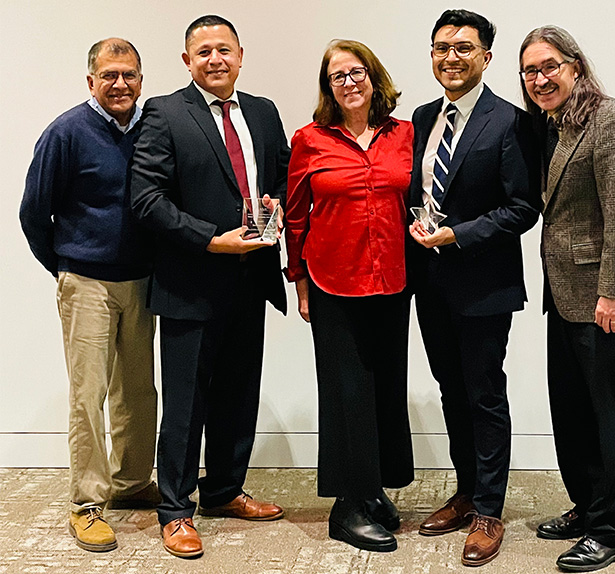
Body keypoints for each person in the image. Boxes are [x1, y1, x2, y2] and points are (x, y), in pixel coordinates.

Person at [130, 15, 290, 558]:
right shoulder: (164, 112)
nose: (215, 59)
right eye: (203, 52)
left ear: (241, 55)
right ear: (187, 61)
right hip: (191, 283)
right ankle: (176, 510)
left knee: (239, 394)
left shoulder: (264, 113)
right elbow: (147, 200)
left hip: (252, 278)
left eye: (224, 49)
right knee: (186, 403)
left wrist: (277, 205)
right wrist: (210, 240)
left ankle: (224, 490)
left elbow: (284, 178)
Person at [519, 26, 615, 572]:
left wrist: (613, 293)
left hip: (607, 301)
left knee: (613, 416)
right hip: (565, 297)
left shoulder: (611, 118)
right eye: (530, 70)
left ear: (575, 65)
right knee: (572, 412)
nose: (539, 78)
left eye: (549, 65)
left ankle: (611, 527)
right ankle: (587, 506)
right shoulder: (552, 126)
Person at [408, 9, 540, 567]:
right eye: (441, 47)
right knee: (450, 389)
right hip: (429, 284)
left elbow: (522, 207)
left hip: (483, 283)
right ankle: (465, 492)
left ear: (486, 56)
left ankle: (489, 509)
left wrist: (456, 235)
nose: (450, 57)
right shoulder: (419, 117)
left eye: (463, 48)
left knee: (484, 392)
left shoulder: (510, 120)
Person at [19, 38, 159, 552]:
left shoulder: (151, 128)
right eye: (110, 75)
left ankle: (132, 482)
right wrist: (65, 268)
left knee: (138, 393)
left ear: (142, 80)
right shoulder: (66, 132)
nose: (120, 84)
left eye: (129, 75)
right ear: (91, 81)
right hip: (86, 282)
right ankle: (87, 503)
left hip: (141, 282)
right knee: (89, 395)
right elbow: (34, 212)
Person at [285, 39, 414, 553]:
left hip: (392, 282)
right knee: (346, 393)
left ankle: (373, 489)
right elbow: (295, 217)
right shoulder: (309, 140)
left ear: (373, 76)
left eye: (356, 71)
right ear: (328, 87)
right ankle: (347, 506)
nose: (349, 82)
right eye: (337, 76)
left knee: (384, 388)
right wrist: (299, 281)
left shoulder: (404, 134)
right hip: (332, 283)